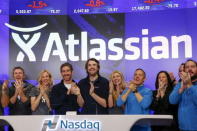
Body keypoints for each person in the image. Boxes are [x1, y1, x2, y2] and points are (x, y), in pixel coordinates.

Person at [169, 59, 197, 131]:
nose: (190, 69)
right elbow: (172, 101)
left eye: (193, 66)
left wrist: (190, 85)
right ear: (184, 70)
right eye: (187, 67)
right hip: (182, 128)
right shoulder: (180, 84)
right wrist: (182, 88)